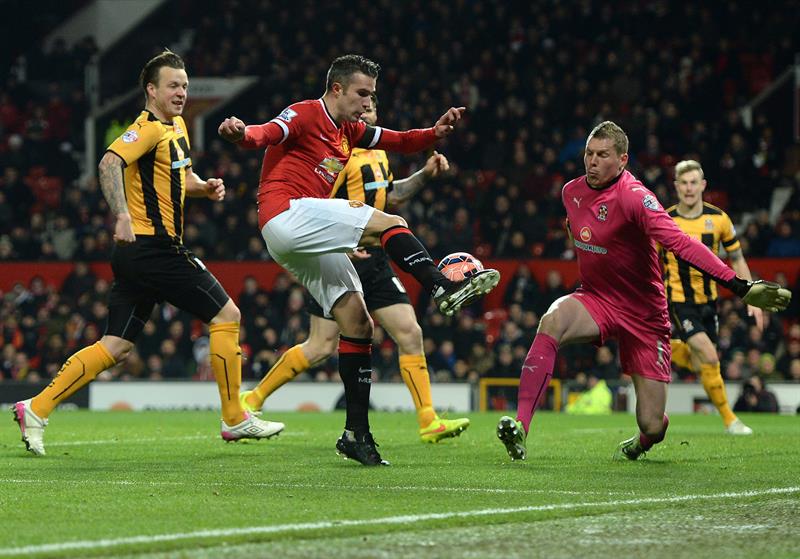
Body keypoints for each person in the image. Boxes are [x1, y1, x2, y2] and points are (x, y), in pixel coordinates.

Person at [218, 55, 499, 466]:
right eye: (362, 94)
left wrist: (434, 132)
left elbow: (401, 140)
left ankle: (356, 434)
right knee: (392, 222)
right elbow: (266, 134)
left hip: (301, 234)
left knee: (357, 322)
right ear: (337, 89)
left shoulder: (350, 131)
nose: (368, 103)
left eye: (372, 95)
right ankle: (440, 283)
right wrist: (241, 133)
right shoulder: (305, 113)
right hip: (285, 213)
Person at [12, 50, 284, 457]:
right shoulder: (148, 128)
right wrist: (121, 215)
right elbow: (108, 164)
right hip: (153, 248)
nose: (181, 93)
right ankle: (234, 417)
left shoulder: (176, 128)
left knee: (116, 346)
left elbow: (180, 178)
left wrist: (203, 187)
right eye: (173, 85)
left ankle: (36, 407)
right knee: (227, 315)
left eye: (186, 86)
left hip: (141, 255)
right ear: (151, 90)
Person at [495, 121, 791, 462]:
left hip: (645, 314)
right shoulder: (570, 192)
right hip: (597, 298)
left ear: (622, 160)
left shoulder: (636, 198)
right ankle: (520, 428)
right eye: (589, 154)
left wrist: (739, 286)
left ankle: (641, 442)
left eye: (602, 155)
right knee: (552, 320)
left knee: (652, 424)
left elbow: (682, 244)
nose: (592, 161)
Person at [239, 95, 470, 443]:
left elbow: (390, 197)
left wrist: (424, 174)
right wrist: (342, 243)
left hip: (377, 253)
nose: (366, 110)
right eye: (361, 102)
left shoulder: (376, 153)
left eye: (371, 105)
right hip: (343, 247)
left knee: (410, 332)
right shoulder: (338, 153)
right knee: (319, 346)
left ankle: (427, 420)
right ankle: (252, 398)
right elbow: (318, 205)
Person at [664, 159, 760, 435]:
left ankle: (665, 349)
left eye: (694, 182)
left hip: (709, 303)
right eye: (683, 183)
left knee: (701, 362)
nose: (689, 188)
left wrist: (751, 293)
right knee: (709, 355)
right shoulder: (666, 220)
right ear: (676, 187)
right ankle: (730, 419)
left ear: (703, 185)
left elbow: (737, 258)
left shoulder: (719, 219)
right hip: (679, 301)